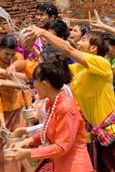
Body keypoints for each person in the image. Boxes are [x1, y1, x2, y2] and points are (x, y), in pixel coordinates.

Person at [22, 23, 115, 172]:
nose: (78, 42)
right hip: (90, 137)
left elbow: (69, 50)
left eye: (83, 39)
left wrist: (43, 34)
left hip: (109, 135)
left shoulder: (103, 64)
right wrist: (32, 49)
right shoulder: (79, 68)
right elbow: (53, 68)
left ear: (93, 48)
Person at [8, 56, 93, 172]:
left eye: (35, 82)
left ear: (44, 84)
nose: (34, 86)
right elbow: (47, 133)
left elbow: (62, 147)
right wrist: (27, 142)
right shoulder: (51, 102)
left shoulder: (65, 108)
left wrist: (28, 153)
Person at [0, 35, 32, 172]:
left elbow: (27, 84)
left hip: (18, 109)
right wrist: (2, 122)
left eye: (12, 54)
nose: (9, 57)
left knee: (18, 150)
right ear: (0, 49)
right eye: (6, 54)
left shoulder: (19, 59)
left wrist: (29, 111)